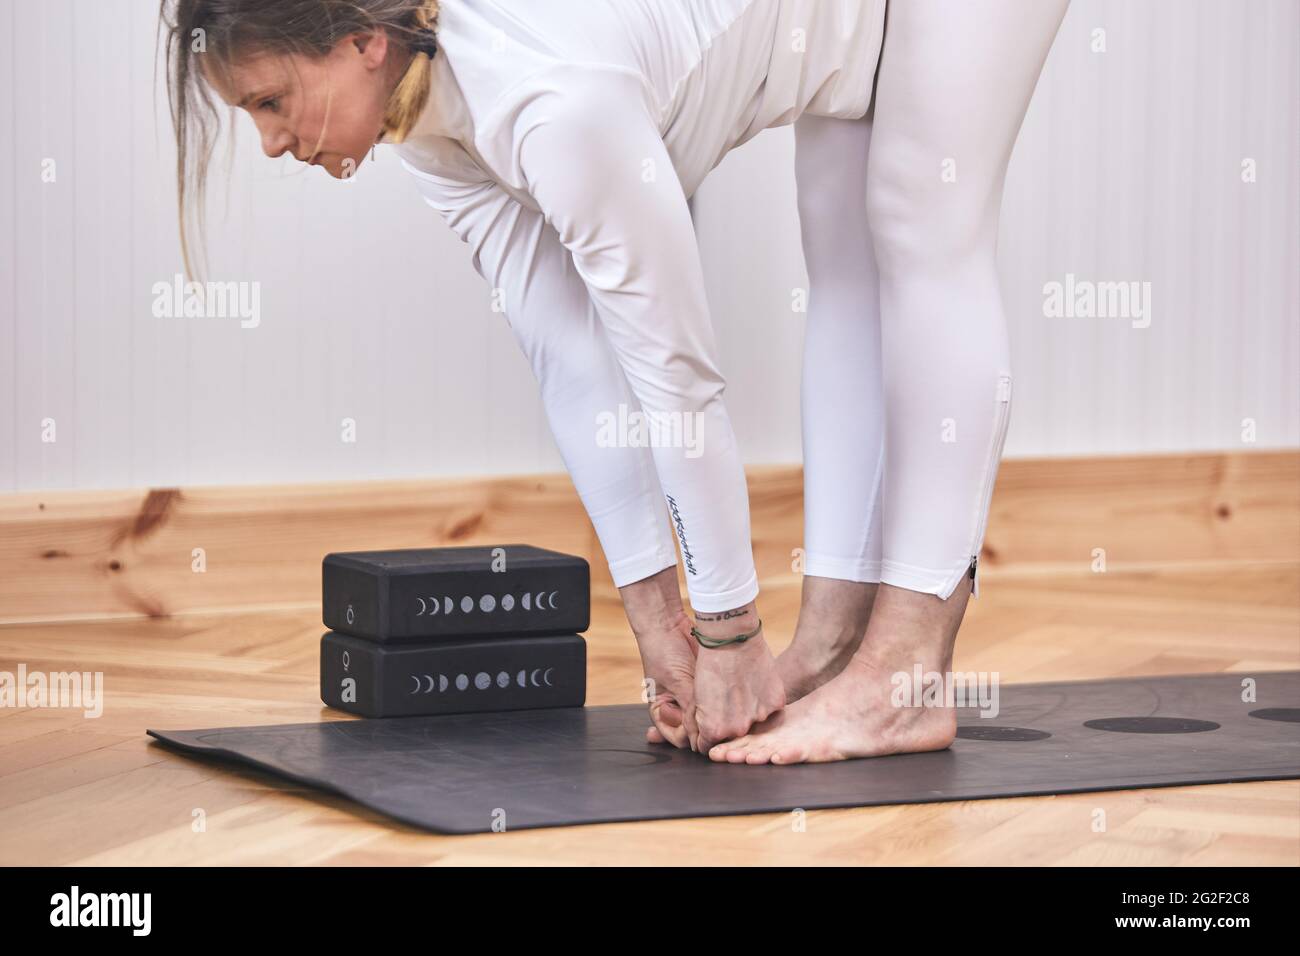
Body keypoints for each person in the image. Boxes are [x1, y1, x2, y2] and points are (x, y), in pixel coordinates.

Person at [160, 0, 1069, 763]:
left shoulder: (554, 103)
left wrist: (728, 630)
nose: (272, 142)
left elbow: (676, 381)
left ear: (363, 40)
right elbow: (575, 358)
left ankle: (905, 680)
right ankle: (835, 648)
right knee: (842, 240)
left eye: (270, 102)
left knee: (919, 213)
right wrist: (663, 627)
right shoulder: (431, 119)